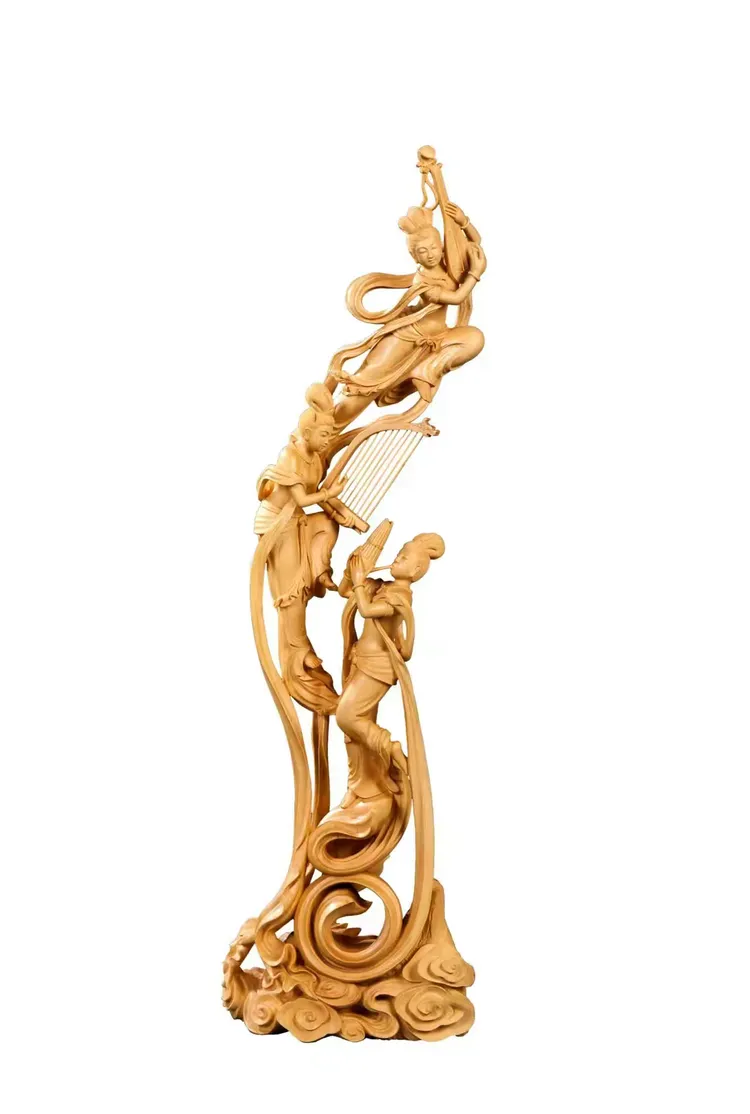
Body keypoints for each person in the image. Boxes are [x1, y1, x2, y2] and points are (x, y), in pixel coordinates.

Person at [327, 203, 486, 429]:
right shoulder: (423, 279)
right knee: (367, 382)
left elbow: (474, 244)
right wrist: (475, 274)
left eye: (434, 248)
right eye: (422, 251)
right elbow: (456, 297)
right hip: (410, 334)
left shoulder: (448, 264)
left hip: (438, 336)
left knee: (475, 338)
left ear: (441, 247)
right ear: (414, 256)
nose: (430, 255)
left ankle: (425, 371)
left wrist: (463, 221)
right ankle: (327, 428)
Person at [253, 384, 357, 713]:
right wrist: (331, 495)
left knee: (327, 524)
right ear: (308, 432)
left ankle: (321, 571)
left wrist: (344, 513)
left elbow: (318, 500)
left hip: (297, 519)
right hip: (277, 525)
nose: (328, 440)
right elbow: (303, 498)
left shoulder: (315, 457)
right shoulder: (291, 455)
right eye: (323, 434)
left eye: (330, 435)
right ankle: (298, 653)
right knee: (292, 594)